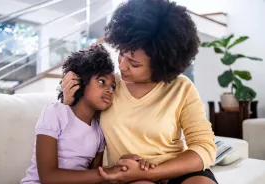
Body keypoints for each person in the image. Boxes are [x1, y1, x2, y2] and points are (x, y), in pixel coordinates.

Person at [62, 0, 218, 184]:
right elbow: (79, 136)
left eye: (134, 63)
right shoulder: (107, 86)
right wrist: (70, 103)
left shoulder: (182, 88)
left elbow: (204, 146)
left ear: (161, 66)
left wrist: (150, 173)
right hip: (126, 176)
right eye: (121, 54)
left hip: (174, 171)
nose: (121, 65)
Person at [22, 45, 154, 184]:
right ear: (81, 81)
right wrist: (109, 171)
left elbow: (93, 176)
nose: (109, 90)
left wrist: (123, 165)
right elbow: (48, 177)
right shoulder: (55, 113)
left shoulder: (99, 131)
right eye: (102, 82)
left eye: (113, 87)